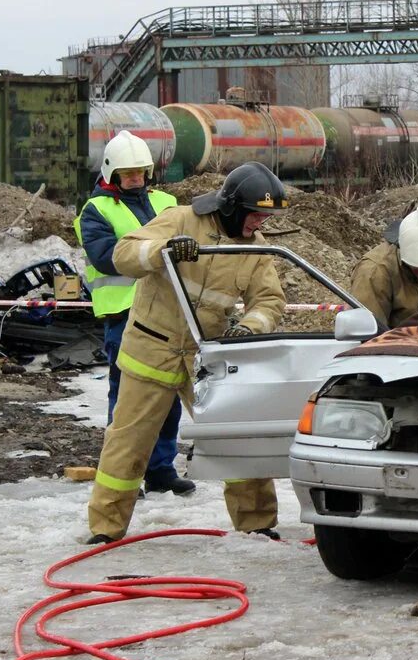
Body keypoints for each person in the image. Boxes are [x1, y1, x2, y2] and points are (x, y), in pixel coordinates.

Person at [86, 162, 288, 545]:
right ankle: (105, 528)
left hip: (207, 360)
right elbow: (124, 253)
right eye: (256, 215)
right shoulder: (179, 220)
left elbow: (269, 300)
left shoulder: (254, 249)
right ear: (232, 207)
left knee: (238, 438)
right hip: (153, 348)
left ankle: (256, 523)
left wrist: (249, 328)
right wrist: (163, 251)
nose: (259, 224)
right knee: (128, 442)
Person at [74, 131, 193, 496]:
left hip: (170, 314)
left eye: (140, 172)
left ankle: (160, 469)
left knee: (167, 396)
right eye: (128, 175)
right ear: (111, 174)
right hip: (124, 315)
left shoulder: (168, 202)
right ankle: (123, 474)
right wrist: (161, 254)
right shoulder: (96, 210)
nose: (135, 179)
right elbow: (106, 257)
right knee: (126, 401)